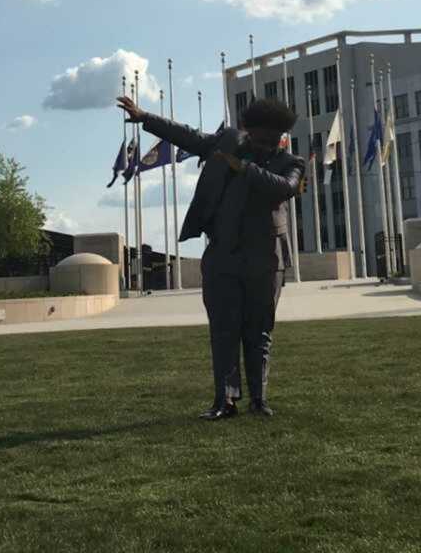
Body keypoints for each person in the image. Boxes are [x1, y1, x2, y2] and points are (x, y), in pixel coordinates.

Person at [116, 93, 304, 420]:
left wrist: (243, 168)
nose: (267, 144)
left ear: (281, 137)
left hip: (266, 260)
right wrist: (145, 116)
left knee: (259, 331)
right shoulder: (227, 143)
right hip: (222, 255)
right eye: (260, 137)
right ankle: (225, 401)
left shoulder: (291, 163)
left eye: (274, 139)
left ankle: (259, 400)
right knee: (223, 330)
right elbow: (189, 135)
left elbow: (283, 188)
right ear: (249, 130)